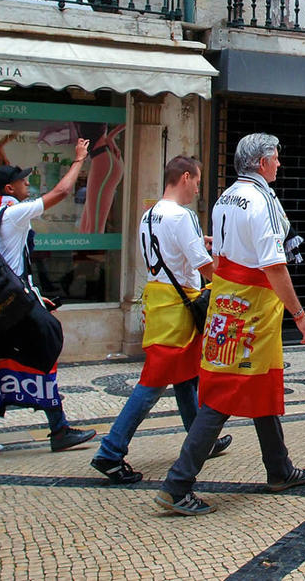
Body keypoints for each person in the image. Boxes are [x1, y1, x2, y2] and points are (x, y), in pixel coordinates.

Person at [155, 133, 305, 516]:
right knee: (223, 393)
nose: (278, 163)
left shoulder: (226, 197)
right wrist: (300, 314)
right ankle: (177, 484)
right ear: (261, 163)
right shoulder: (260, 202)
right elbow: (274, 265)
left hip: (228, 304)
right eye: (275, 158)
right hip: (251, 310)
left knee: (254, 382)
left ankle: (279, 469)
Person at [0, 138, 97, 462]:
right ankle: (58, 431)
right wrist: (78, 160)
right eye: (22, 180)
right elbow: (60, 194)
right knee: (43, 353)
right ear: (9, 187)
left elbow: (12, 262)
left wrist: (34, 292)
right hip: (13, 310)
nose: (27, 183)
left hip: (3, 306)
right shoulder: (14, 213)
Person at [89, 156, 232, 483]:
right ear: (185, 177)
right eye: (197, 181)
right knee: (152, 383)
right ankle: (110, 451)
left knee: (184, 376)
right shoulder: (184, 216)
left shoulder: (149, 215)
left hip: (158, 300)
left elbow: (166, 254)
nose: (198, 187)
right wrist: (229, 284)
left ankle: (201, 440)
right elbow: (202, 266)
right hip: (179, 306)